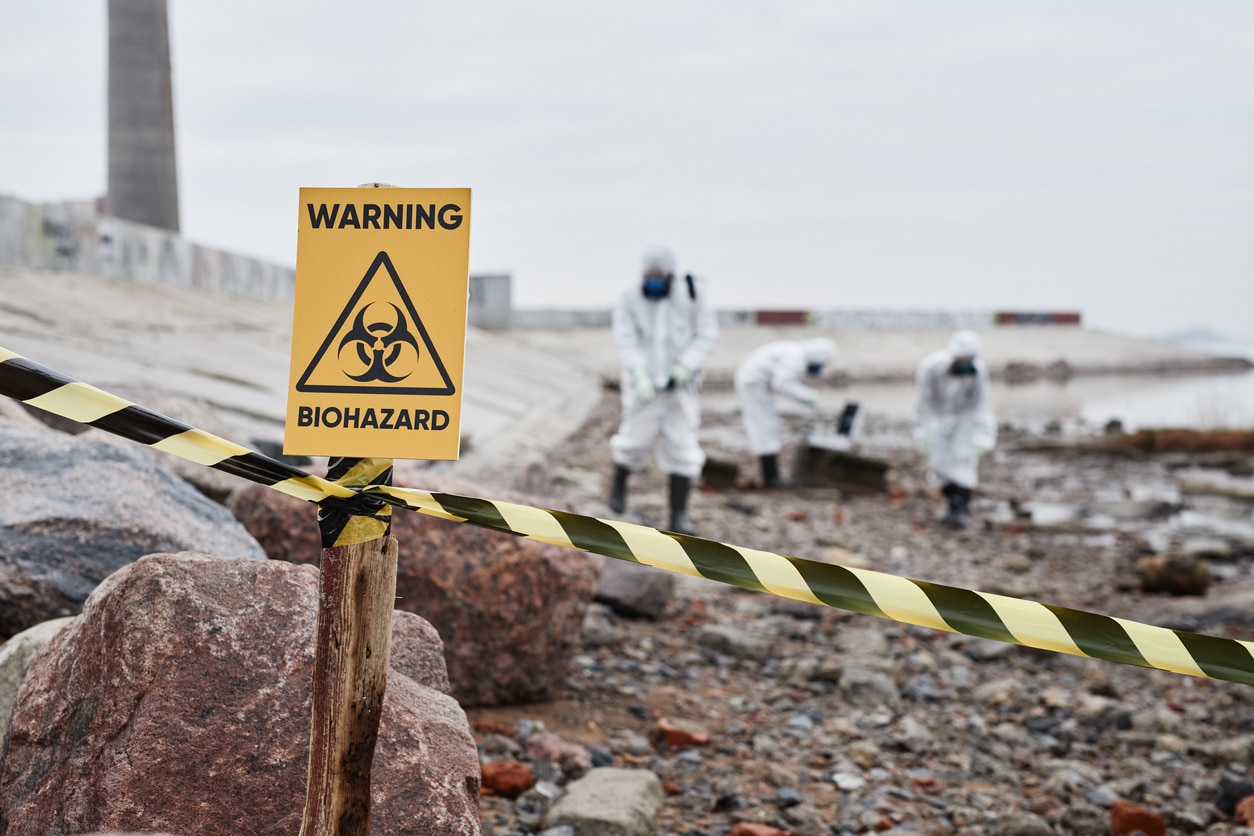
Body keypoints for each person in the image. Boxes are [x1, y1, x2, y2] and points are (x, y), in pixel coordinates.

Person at [608, 247, 719, 535]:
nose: (654, 280)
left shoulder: (692, 294)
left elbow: (706, 335)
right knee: (634, 437)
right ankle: (618, 484)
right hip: (642, 384)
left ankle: (678, 515)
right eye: (649, 276)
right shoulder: (629, 297)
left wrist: (685, 366)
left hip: (681, 385)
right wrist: (639, 372)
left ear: (671, 274)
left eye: (659, 276)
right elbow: (626, 338)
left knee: (682, 444)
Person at [914, 329, 997, 528]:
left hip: (965, 423)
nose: (966, 364)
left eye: (970, 359)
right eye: (962, 359)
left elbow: (981, 405)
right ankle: (953, 503)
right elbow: (924, 402)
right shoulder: (931, 367)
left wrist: (983, 435)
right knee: (939, 469)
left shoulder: (977, 372)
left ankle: (960, 510)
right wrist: (922, 430)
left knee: (966, 467)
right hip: (936, 420)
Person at [734, 338, 837, 488]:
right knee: (766, 425)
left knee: (767, 425)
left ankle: (771, 476)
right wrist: (807, 396)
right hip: (754, 383)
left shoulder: (794, 352)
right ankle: (771, 478)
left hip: (755, 382)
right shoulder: (796, 357)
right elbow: (782, 383)